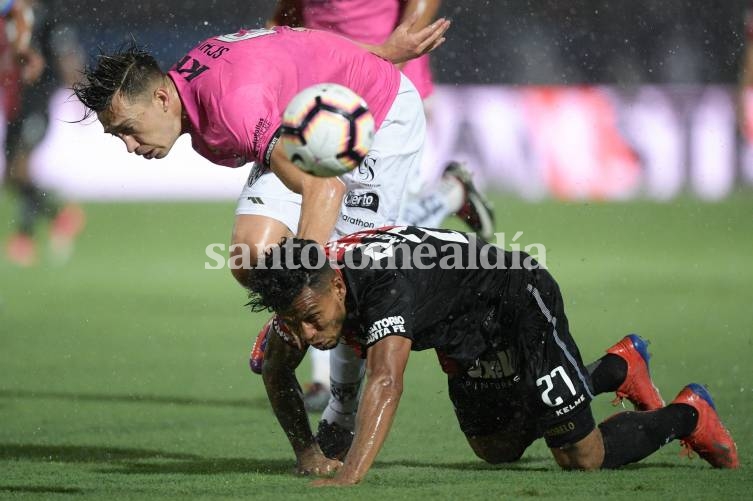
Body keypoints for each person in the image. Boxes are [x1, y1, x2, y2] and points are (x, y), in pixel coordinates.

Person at [246, 226, 738, 485]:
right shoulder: (301, 287)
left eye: (311, 319)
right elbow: (274, 370)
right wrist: (309, 455)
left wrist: (350, 475)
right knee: (496, 449)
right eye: (294, 323)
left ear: (336, 282)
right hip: (462, 328)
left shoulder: (383, 285)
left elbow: (386, 382)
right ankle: (616, 368)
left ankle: (688, 415)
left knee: (582, 458)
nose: (306, 333)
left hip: (515, 301)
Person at [265, 0, 496, 412]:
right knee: (330, 231)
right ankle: (323, 379)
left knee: (369, 240)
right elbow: (284, 19)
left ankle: (331, 393)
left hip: (390, 89)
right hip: (324, 103)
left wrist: (393, 56)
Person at [1, 0, 85, 266]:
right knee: (12, 176)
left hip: (35, 105)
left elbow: (67, 55)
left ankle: (24, 238)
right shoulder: (12, 16)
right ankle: (58, 215)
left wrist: (79, 92)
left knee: (20, 169)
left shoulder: (49, 19)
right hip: (15, 108)